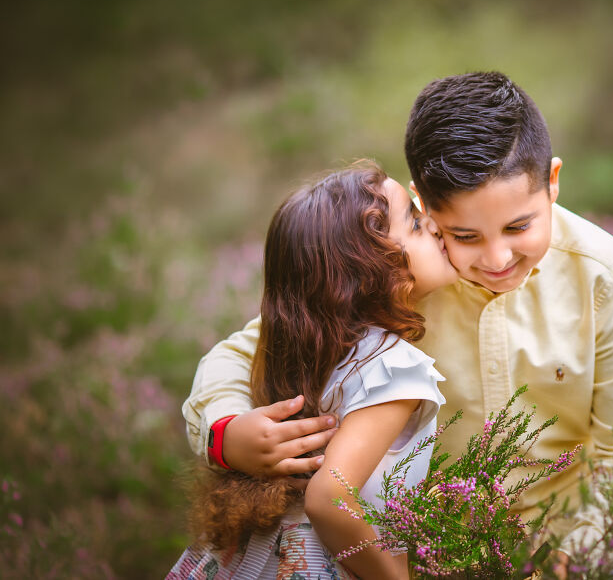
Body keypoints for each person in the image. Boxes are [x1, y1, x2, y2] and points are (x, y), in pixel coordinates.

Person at [183, 72, 613, 566]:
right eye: (465, 235)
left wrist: (570, 556)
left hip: (573, 539)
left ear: (553, 182)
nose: (498, 257)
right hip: (427, 552)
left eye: (518, 226)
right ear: (423, 203)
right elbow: (243, 351)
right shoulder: (397, 279)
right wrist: (223, 434)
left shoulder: (603, 274)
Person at [169, 163, 457, 579]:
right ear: (377, 275)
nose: (431, 225)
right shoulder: (396, 367)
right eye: (413, 222)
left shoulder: (316, 346)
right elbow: (329, 499)